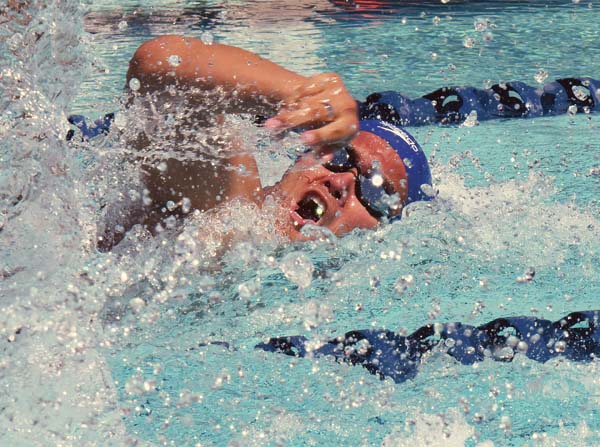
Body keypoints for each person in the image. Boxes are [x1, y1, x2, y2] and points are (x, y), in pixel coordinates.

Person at [115, 35, 431, 246]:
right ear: (302, 157)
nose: (341, 181)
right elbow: (158, 64)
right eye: (338, 155)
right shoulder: (232, 201)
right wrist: (297, 92)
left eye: (377, 190)